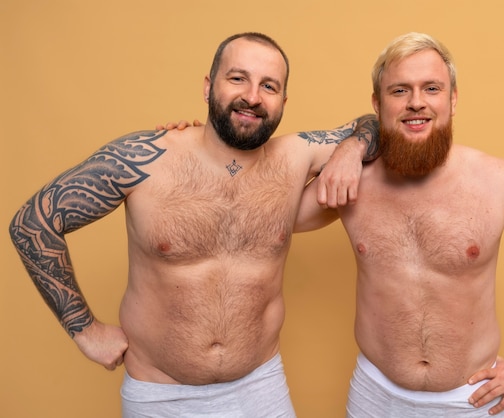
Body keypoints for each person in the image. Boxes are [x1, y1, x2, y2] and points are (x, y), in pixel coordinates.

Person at [8, 32, 378, 417]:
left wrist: (352, 149)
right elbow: (33, 223)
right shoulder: (146, 159)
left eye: (269, 86)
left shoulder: (295, 158)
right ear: (208, 86)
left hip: (261, 389)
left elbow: (374, 124)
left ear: (283, 102)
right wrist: (84, 329)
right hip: (160, 397)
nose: (252, 96)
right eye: (237, 78)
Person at [297, 32, 504, 417]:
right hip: (374, 397)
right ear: (378, 103)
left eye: (431, 88)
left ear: (452, 99)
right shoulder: (353, 182)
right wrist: (212, 148)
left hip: (468, 403)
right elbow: (268, 214)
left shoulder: (500, 181)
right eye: (399, 90)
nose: (416, 102)